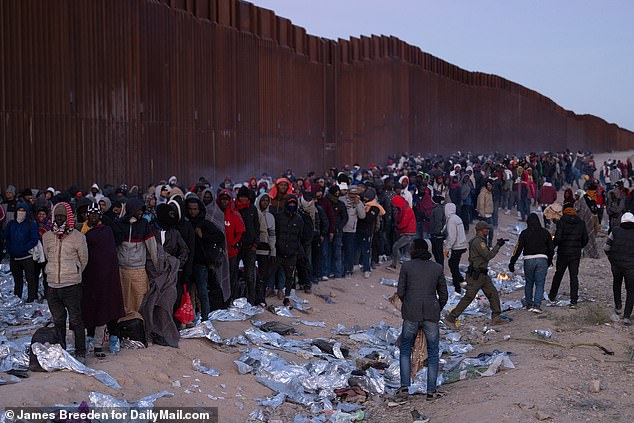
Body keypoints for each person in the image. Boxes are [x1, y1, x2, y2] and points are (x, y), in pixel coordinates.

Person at [395, 239, 448, 401]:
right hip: (431, 313)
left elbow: (400, 292)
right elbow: (444, 295)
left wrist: (409, 304)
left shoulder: (407, 266)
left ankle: (404, 387)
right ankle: (431, 391)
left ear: (414, 250)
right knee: (433, 352)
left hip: (411, 313)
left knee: (405, 349)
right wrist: (436, 307)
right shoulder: (437, 267)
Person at [42, 202, 89, 362]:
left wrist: (73, 272)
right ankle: (62, 350)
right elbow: (47, 257)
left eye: (63, 216)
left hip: (72, 286)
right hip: (53, 285)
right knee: (58, 320)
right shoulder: (47, 237)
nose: (60, 219)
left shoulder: (78, 237)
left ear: (68, 217)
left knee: (76, 319)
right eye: (57, 216)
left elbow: (84, 260)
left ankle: (81, 351)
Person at [81, 203, 125, 358]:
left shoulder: (107, 231)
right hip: (90, 276)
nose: (93, 217)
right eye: (90, 214)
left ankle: (113, 337)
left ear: (100, 216)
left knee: (109, 305)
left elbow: (109, 254)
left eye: (96, 214)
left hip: (107, 275)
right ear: (86, 216)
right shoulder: (82, 232)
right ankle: (91, 338)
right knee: (91, 305)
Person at [445, 221, 508, 328]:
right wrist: (498, 246)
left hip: (482, 274)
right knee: (469, 297)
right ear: (479, 230)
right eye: (485, 229)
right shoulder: (479, 242)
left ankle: (496, 317)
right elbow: (487, 256)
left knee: (493, 294)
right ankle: (451, 318)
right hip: (476, 275)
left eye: (488, 229)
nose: (487, 231)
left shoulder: (480, 241)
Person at [112, 198, 159, 321]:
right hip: (122, 269)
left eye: (141, 211)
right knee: (124, 300)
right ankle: (125, 327)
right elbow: (114, 247)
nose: (140, 213)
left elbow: (152, 247)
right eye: (138, 210)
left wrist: (157, 266)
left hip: (138, 270)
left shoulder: (144, 225)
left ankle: (140, 326)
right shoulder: (119, 224)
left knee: (140, 299)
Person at [185, 195, 226, 319]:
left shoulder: (204, 223)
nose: (192, 211)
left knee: (202, 291)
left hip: (200, 262)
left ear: (200, 209)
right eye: (190, 209)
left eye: (195, 209)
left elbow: (220, 236)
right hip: (187, 262)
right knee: (187, 291)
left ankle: (205, 318)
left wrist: (203, 236)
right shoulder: (185, 223)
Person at [508, 213, 554, 313]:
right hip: (542, 259)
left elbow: (518, 249)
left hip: (528, 260)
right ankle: (537, 305)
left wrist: (512, 262)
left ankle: (529, 304)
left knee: (529, 283)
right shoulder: (545, 232)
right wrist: (549, 261)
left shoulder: (524, 233)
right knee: (540, 283)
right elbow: (551, 248)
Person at [548, 204, 588, 308]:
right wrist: (579, 246)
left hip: (563, 252)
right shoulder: (581, 222)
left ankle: (552, 296)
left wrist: (552, 246)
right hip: (575, 253)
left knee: (558, 274)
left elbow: (558, 238)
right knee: (573, 277)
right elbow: (585, 239)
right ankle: (573, 301)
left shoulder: (561, 222)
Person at [267, 195, 304, 306]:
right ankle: (264, 293)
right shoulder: (278, 217)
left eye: (294, 204)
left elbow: (300, 236)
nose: (292, 205)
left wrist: (296, 249)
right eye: (290, 203)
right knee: (269, 273)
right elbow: (274, 233)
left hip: (291, 253)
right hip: (278, 251)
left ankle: (286, 296)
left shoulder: (299, 219)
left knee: (289, 277)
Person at [4, 202, 39, 302]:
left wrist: (23, 248)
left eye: (23, 210)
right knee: (17, 280)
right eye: (19, 210)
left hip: (27, 257)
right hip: (14, 257)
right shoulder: (11, 224)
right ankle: (17, 297)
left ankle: (31, 298)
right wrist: (10, 248)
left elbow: (34, 239)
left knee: (30, 279)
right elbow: (6, 238)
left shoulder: (31, 224)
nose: (21, 212)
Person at [604, 212, 634, 325]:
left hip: (616, 265)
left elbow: (606, 248)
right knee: (631, 291)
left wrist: (611, 259)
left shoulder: (615, 231)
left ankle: (618, 307)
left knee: (617, 284)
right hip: (631, 267)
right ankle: (626, 316)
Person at [217, 189, 246, 301]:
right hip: (219, 253)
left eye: (226, 199)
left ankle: (231, 298)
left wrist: (233, 244)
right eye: (222, 199)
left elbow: (240, 232)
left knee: (232, 277)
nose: (224, 201)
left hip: (231, 253)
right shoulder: (216, 213)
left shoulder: (234, 214)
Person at [236, 186, 260, 304]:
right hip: (237, 246)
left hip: (250, 247)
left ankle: (251, 300)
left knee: (250, 276)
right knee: (234, 275)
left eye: (246, 197)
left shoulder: (252, 209)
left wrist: (255, 243)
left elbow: (256, 227)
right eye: (242, 197)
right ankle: (234, 299)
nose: (244, 199)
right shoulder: (234, 208)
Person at [255, 193, 276, 304]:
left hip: (265, 250)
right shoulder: (254, 213)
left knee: (263, 276)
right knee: (253, 276)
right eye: (263, 200)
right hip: (253, 249)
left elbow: (272, 235)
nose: (265, 203)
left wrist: (273, 250)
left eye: (267, 201)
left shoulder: (270, 217)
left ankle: (261, 298)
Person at [387, 194, 416, 271]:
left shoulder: (407, 210)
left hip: (408, 233)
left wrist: (397, 226)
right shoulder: (403, 209)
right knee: (400, 248)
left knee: (396, 246)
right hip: (407, 232)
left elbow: (404, 223)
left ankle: (394, 265)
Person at [443, 202, 468, 294]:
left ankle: (458, 286)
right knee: (454, 264)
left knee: (453, 265)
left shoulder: (451, 220)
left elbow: (452, 236)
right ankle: (461, 280)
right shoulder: (457, 218)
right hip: (461, 244)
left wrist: (447, 247)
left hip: (457, 246)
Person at [342, 186, 366, 279]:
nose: (353, 196)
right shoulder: (342, 200)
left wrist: (357, 205)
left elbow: (362, 216)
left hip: (351, 229)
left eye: (355, 194)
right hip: (341, 228)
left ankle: (348, 270)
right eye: (352, 194)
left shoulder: (358, 202)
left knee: (349, 250)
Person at [476, 180, 494, 247]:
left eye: (491, 185)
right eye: (489, 185)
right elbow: (481, 205)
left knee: (491, 231)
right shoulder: (483, 193)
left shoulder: (489, 193)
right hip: (484, 216)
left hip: (489, 214)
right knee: (484, 233)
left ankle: (489, 245)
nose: (490, 187)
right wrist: (483, 215)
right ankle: (484, 245)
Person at [428, 195, 445, 266]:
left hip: (437, 235)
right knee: (435, 251)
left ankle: (440, 267)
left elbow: (438, 222)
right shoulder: (438, 208)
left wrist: (437, 233)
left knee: (438, 252)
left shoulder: (438, 209)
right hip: (435, 234)